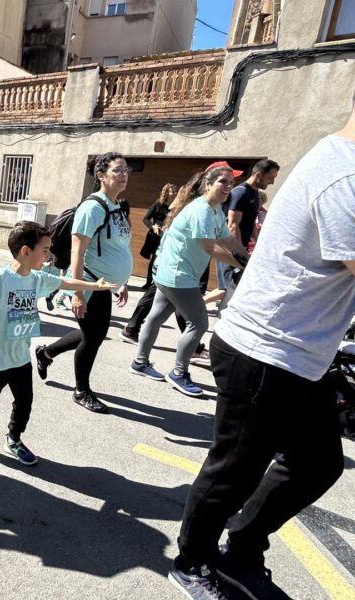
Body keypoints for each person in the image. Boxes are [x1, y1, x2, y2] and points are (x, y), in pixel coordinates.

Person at [169, 103, 355, 600]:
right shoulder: (344, 177)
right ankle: (190, 562)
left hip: (299, 357)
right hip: (264, 351)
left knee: (318, 462)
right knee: (233, 469)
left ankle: (244, 546)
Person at [0, 221, 117, 465]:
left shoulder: (36, 279)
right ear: (26, 251)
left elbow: (65, 283)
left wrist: (93, 286)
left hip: (21, 356)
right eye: (44, 250)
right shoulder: (2, 279)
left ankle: (13, 439)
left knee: (24, 402)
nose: (48, 255)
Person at [129, 164, 247, 396]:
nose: (228, 186)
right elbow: (211, 246)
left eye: (231, 183)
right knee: (199, 323)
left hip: (172, 272)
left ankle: (139, 363)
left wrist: (246, 257)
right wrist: (242, 265)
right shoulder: (201, 210)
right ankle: (179, 373)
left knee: (156, 316)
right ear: (208, 184)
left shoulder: (215, 210)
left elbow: (227, 239)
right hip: (177, 275)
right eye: (222, 181)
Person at [34, 152, 132, 414]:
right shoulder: (92, 208)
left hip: (104, 285)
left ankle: (46, 353)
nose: (124, 174)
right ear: (101, 175)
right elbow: (78, 252)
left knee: (93, 334)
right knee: (93, 337)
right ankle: (81, 390)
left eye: (126, 170)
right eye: (118, 170)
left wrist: (122, 281)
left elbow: (118, 246)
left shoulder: (118, 206)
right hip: (88, 284)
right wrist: (77, 291)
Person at [119, 173, 213, 368]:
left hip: (171, 266)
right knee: (192, 318)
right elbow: (149, 220)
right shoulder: (191, 209)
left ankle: (135, 341)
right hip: (174, 267)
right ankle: (184, 361)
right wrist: (153, 226)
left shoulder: (189, 207)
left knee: (158, 309)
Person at [216, 159, 279, 293]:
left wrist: (259, 245)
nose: (272, 182)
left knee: (234, 290)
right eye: (270, 178)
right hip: (231, 250)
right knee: (228, 290)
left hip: (239, 249)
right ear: (258, 175)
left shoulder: (254, 194)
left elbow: (250, 225)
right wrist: (239, 253)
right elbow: (232, 225)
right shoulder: (241, 192)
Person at [141, 183, 176, 289]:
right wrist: (153, 227)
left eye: (176, 191)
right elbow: (145, 219)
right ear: (166, 193)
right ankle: (149, 283)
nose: (175, 193)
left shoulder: (176, 206)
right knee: (154, 260)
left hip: (169, 237)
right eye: (172, 191)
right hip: (156, 236)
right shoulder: (158, 204)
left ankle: (159, 282)